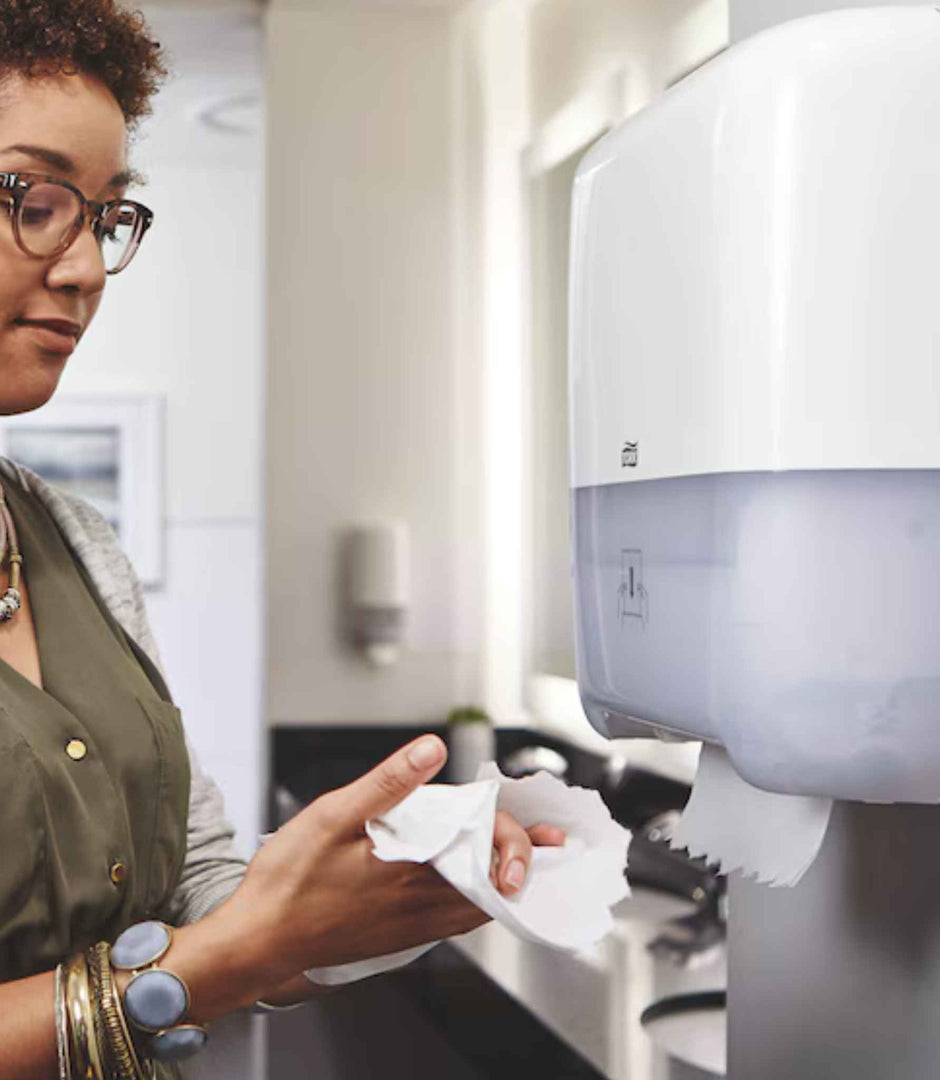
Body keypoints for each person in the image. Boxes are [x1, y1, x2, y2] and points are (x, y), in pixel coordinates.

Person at [0, 2, 565, 1076]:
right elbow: (221, 953)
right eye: (32, 199)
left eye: (108, 217)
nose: (80, 269)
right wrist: (226, 956)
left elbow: (208, 897)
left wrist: (385, 880)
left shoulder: (73, 540)